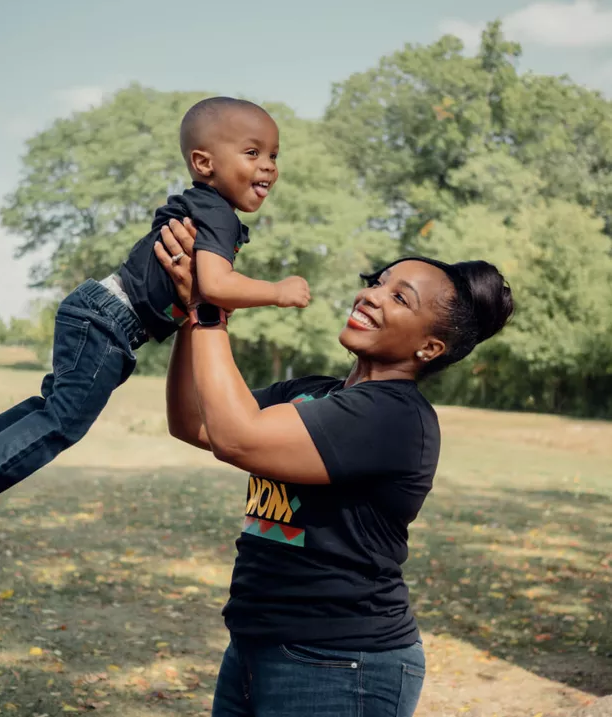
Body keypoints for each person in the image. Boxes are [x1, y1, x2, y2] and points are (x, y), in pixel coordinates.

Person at [0, 96, 311, 576]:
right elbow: (213, 285)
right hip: (109, 320)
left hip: (100, 312)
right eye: (253, 153)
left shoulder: (205, 206)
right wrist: (277, 291)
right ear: (204, 163)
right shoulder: (219, 214)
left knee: (53, 407)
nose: (268, 165)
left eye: (274, 154)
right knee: (64, 421)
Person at [154, 217, 513, 717]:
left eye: (400, 297)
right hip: (255, 646)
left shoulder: (395, 416)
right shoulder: (312, 392)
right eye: (377, 282)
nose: (372, 296)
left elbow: (237, 439)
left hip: (342, 663)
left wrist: (210, 308)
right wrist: (189, 313)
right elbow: (192, 421)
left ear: (429, 348)